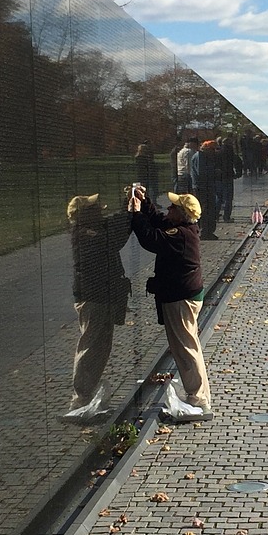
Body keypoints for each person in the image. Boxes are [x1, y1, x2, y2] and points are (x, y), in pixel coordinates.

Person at [128, 186, 212, 418]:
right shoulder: (184, 228)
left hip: (180, 299)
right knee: (189, 345)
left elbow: (151, 238)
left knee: (186, 349)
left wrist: (136, 214)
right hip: (184, 296)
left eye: (173, 206)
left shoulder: (180, 235)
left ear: (181, 213)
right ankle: (199, 396)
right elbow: (159, 222)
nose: (169, 208)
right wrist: (144, 203)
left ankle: (199, 400)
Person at [62, 193, 132, 419]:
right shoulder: (85, 235)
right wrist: (128, 213)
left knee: (101, 345)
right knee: (91, 344)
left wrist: (128, 207)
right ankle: (81, 396)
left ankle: (88, 393)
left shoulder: (93, 229)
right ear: (85, 215)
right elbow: (113, 240)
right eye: (95, 210)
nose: (101, 212)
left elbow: (114, 228)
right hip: (93, 298)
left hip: (103, 296)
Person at [196, 139, 219, 239]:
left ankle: (208, 231)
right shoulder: (200, 157)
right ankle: (205, 231)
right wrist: (214, 172)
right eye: (212, 150)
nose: (214, 152)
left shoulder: (206, 157)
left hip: (208, 186)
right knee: (206, 210)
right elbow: (201, 173)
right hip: (203, 187)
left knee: (210, 209)